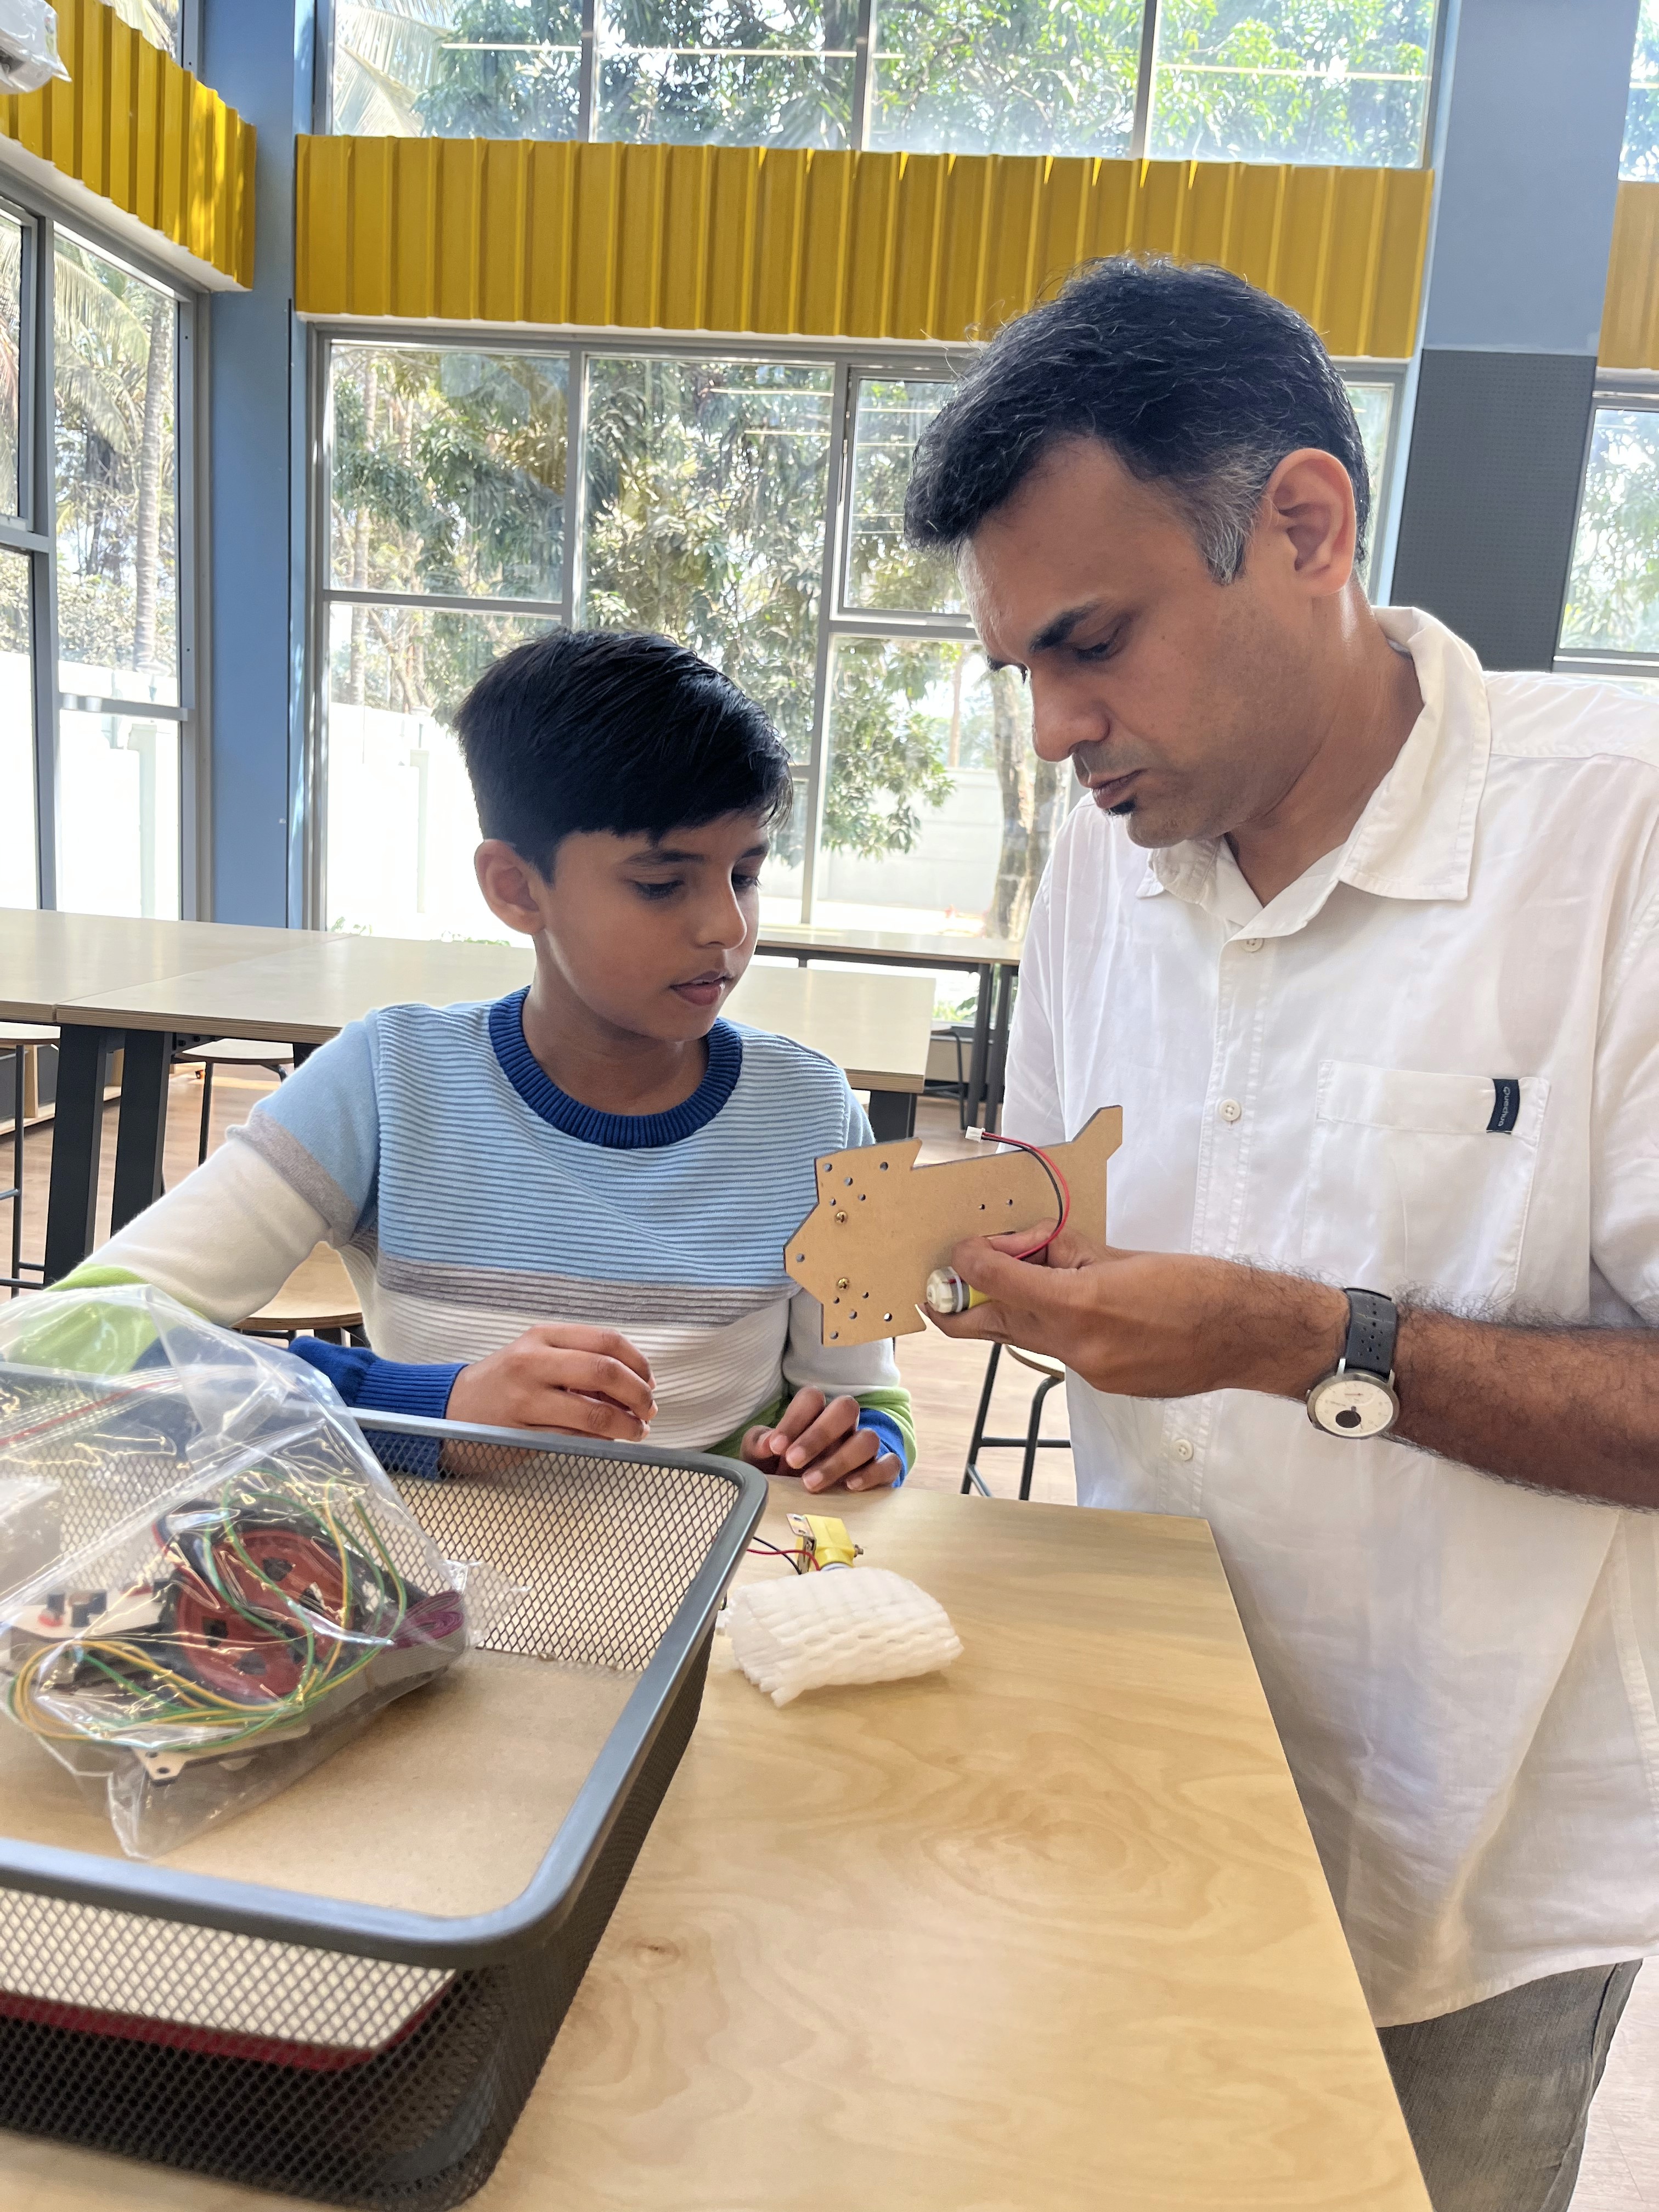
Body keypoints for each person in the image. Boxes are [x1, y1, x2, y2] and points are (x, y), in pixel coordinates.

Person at [905, 255, 1659, 2212]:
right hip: (1138, 1783)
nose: (1060, 730)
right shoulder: (1106, 850)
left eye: (1095, 641)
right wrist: (978, 1244)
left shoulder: (1620, 842)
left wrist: (1305, 1335)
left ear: (1305, 526)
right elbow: (1058, 1172)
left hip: (1473, 1873)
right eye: (1025, 676)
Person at [67, 630, 912, 1495]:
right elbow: (70, 1343)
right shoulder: (386, 1082)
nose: (727, 929)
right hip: (440, 1593)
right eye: (663, 884)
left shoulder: (826, 1112)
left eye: (746, 873)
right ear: (515, 887)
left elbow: (869, 1390)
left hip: (716, 1591)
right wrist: (431, 1407)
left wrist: (865, 1437)